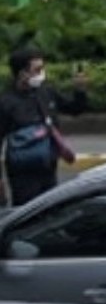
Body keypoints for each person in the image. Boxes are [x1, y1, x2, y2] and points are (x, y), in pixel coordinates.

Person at [0, 45, 87, 207]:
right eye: (37, 69)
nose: (41, 73)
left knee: (49, 211)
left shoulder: (46, 92)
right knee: (27, 213)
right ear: (22, 73)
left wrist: (80, 89)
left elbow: (75, 109)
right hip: (23, 173)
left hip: (48, 167)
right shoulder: (6, 103)